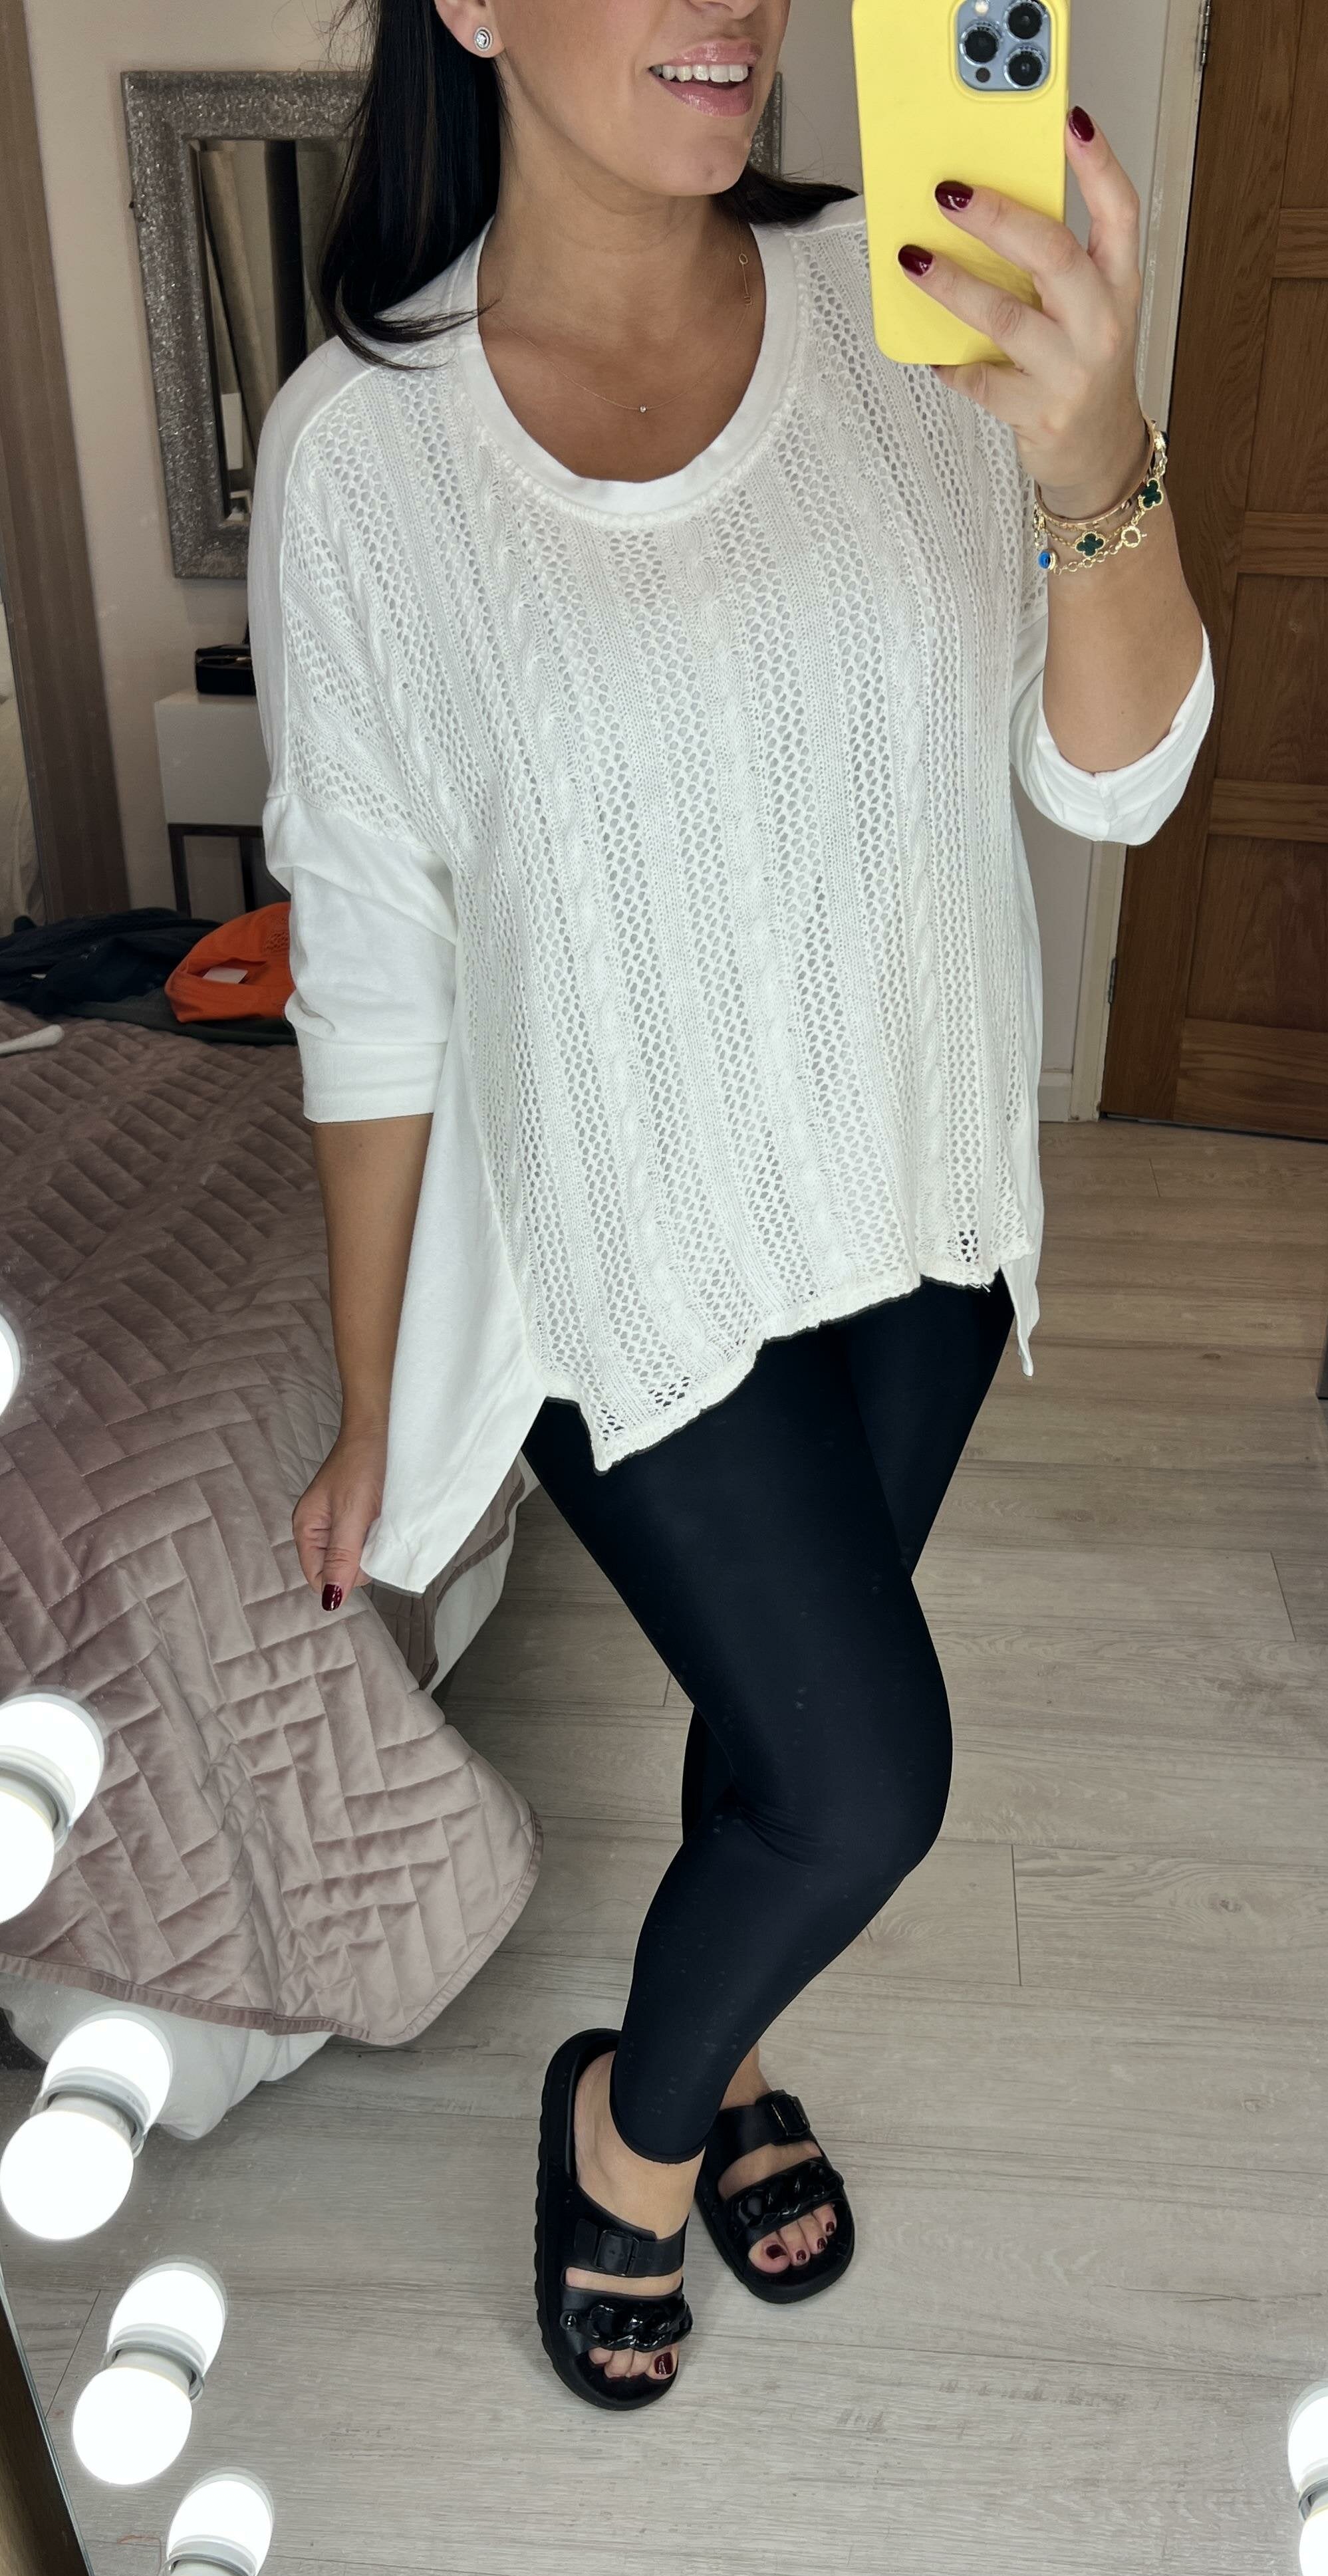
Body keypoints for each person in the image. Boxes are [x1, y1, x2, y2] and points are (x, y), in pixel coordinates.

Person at [248, 0, 1213, 2413]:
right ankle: (634, 2123)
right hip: (615, 1256)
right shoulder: (364, 450)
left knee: (776, 1732)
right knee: (864, 1775)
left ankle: (732, 2027)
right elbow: (373, 968)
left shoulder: (918, 332)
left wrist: (1096, 459)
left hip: (912, 1205)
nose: (730, 9)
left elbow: (1112, 788)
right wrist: (374, 1398)